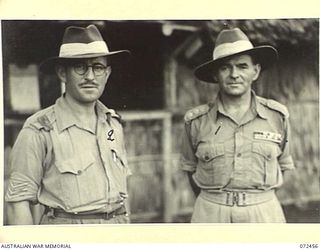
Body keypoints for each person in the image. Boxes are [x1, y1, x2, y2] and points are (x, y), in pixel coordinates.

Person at [5, 24, 132, 224]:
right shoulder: (39, 129)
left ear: (107, 74)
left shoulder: (112, 125)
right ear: (62, 74)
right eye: (80, 67)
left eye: (97, 67)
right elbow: (18, 203)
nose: (90, 76)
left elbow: (122, 194)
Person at [180, 27, 295, 223]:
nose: (234, 74)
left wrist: (257, 200)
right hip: (211, 214)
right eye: (225, 67)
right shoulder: (196, 121)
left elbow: (284, 166)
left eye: (242, 66)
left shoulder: (277, 116)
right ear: (216, 74)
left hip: (263, 213)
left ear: (255, 71)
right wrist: (217, 202)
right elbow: (190, 169)